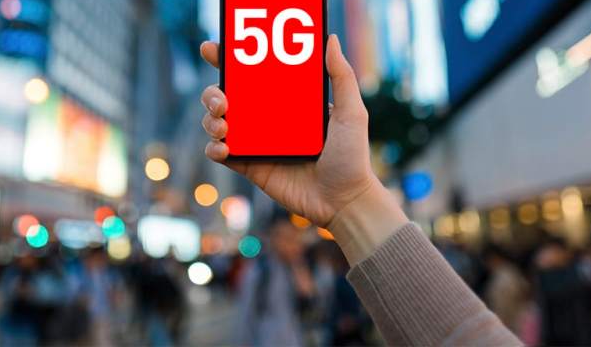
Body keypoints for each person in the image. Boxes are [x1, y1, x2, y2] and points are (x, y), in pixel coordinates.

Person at [199, 35, 520, 346]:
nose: (292, 242)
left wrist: (351, 201)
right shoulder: (263, 274)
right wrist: (352, 202)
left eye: (292, 236)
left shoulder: (307, 267)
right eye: (286, 236)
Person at [235, 209, 315, 346]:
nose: (291, 244)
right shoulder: (259, 270)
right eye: (285, 238)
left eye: (294, 238)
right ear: (273, 238)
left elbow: (311, 306)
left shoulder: (298, 268)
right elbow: (246, 316)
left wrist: (299, 268)